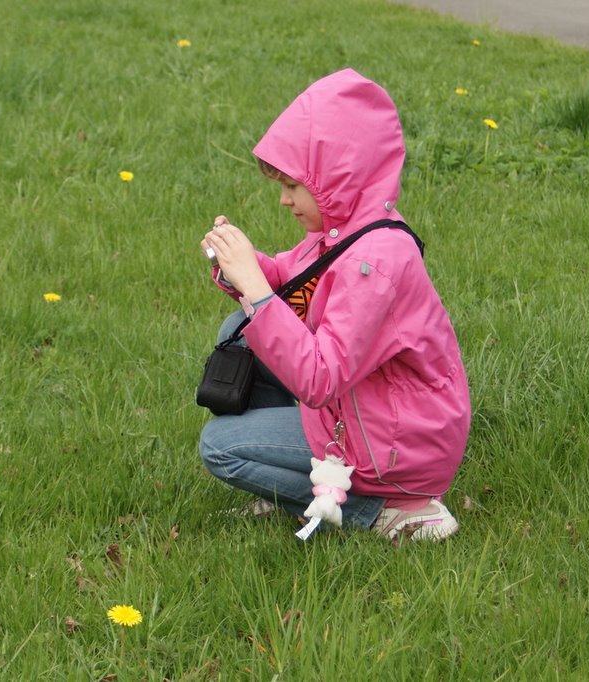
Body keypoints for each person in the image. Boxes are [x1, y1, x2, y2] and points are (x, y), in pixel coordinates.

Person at [198, 68, 471, 542]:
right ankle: (298, 489)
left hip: (395, 443)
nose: (284, 200)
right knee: (234, 332)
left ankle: (380, 509)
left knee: (220, 448)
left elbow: (319, 378)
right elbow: (290, 282)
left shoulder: (373, 261)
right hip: (366, 408)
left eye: (292, 186)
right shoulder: (340, 234)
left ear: (335, 177)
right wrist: (237, 265)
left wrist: (257, 292)